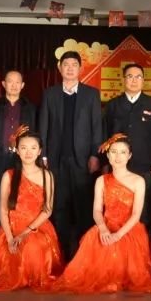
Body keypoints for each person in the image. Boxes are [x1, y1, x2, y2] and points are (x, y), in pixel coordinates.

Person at [51, 134, 151, 293]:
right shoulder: (101, 180)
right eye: (113, 152)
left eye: (123, 152)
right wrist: (103, 228)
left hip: (129, 229)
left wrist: (118, 234)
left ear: (129, 156)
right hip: (106, 226)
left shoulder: (138, 180)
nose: (118, 156)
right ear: (108, 155)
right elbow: (97, 210)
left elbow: (136, 214)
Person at [0, 128, 63, 292]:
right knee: (9, 256)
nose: (28, 152)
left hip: (37, 226)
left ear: (39, 151)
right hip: (11, 227)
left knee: (32, 248)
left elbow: (47, 210)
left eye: (33, 148)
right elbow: (3, 211)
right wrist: (10, 237)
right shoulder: (8, 175)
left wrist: (26, 232)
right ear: (17, 150)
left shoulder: (47, 175)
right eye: (23, 148)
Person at [37, 51, 104, 259]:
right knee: (60, 207)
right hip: (56, 159)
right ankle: (62, 253)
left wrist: (95, 155)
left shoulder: (91, 94)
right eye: (66, 64)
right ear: (59, 68)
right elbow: (43, 126)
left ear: (80, 68)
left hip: (83, 160)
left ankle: (84, 254)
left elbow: (97, 127)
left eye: (74, 64)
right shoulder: (50, 94)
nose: (70, 68)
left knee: (84, 207)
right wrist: (43, 155)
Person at [103, 63, 151, 231]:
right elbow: (105, 136)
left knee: (144, 210)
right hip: (117, 166)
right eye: (130, 76)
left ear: (143, 80)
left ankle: (141, 243)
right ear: (123, 79)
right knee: (118, 209)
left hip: (145, 166)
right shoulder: (112, 105)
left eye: (138, 77)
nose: (134, 80)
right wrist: (105, 163)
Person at [0, 70, 36, 248]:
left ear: (23, 85)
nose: (14, 85)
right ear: (3, 84)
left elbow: (35, 135)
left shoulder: (30, 108)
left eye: (18, 82)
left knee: (20, 202)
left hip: (21, 159)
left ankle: (16, 243)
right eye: (10, 81)